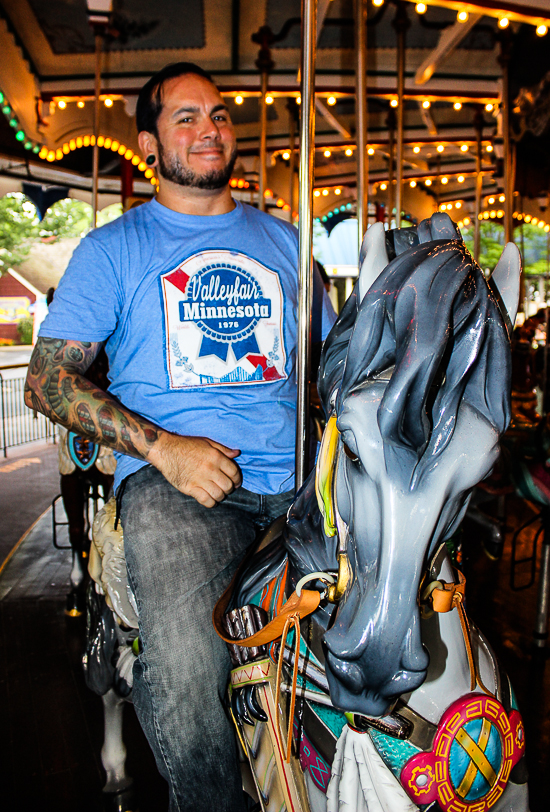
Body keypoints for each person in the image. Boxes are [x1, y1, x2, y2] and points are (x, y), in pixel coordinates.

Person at [24, 62, 335, 811]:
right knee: (194, 664)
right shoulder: (113, 249)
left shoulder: (291, 249)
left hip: (298, 485)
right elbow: (46, 382)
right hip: (176, 489)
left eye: (220, 115)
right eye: (187, 117)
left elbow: (330, 374)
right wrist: (163, 447)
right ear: (149, 141)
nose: (210, 129)